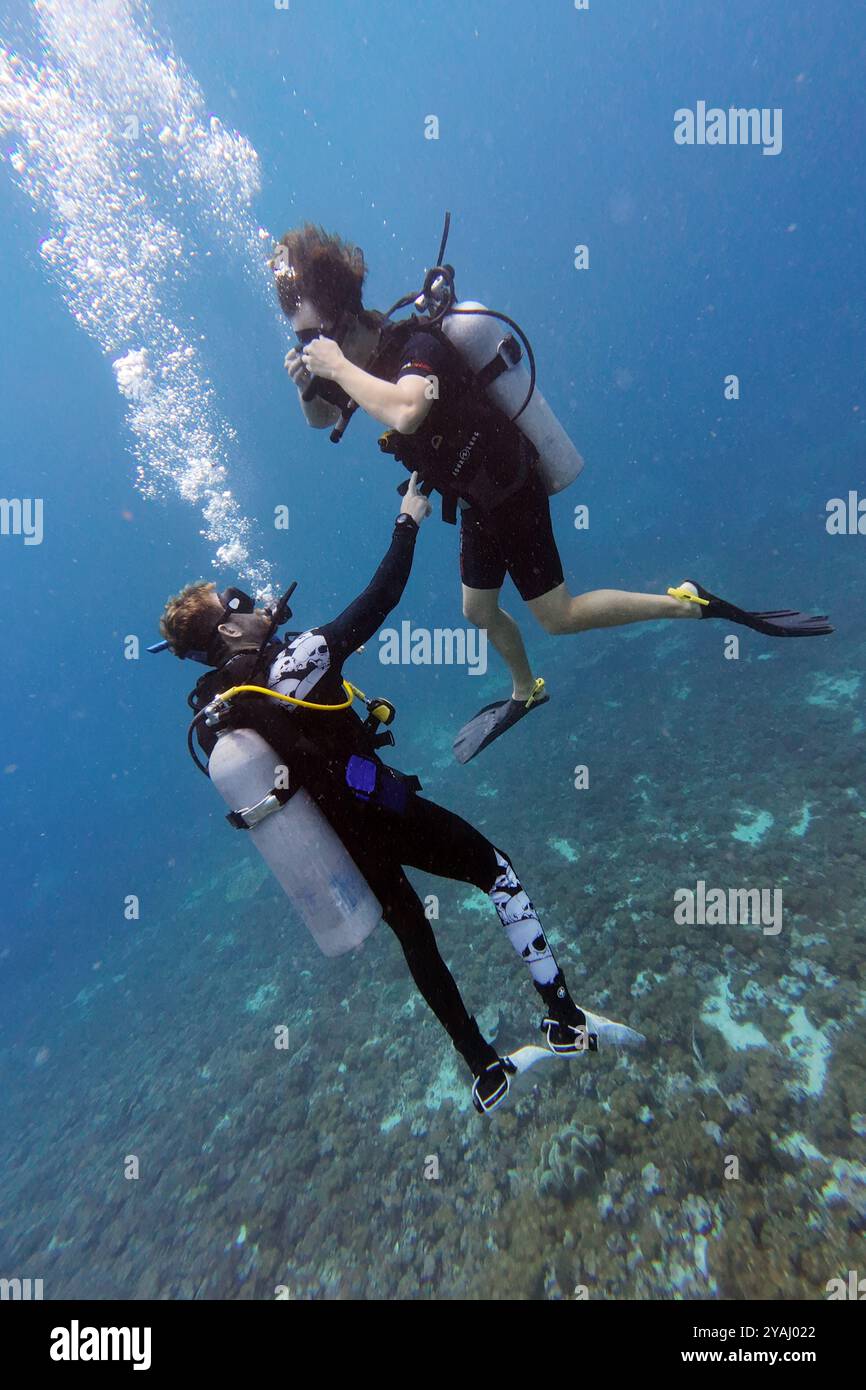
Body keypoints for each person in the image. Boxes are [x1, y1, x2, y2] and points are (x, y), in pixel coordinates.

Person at [154, 473, 644, 1115]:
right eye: (236, 600)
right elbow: (381, 597)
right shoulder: (293, 663)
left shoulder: (227, 705)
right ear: (226, 633)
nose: (250, 602)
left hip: (342, 840)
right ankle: (563, 1018)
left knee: (415, 935)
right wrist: (408, 519)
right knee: (498, 873)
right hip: (383, 810)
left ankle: (483, 1068)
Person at [270, 223, 833, 763]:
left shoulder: (416, 346)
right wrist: (306, 390)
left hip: (509, 484)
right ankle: (525, 691)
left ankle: (690, 602)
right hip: (473, 497)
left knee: (558, 616)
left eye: (310, 337)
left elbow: (408, 409)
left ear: (342, 324)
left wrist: (338, 367)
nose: (309, 348)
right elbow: (325, 419)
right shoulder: (360, 364)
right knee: (478, 609)